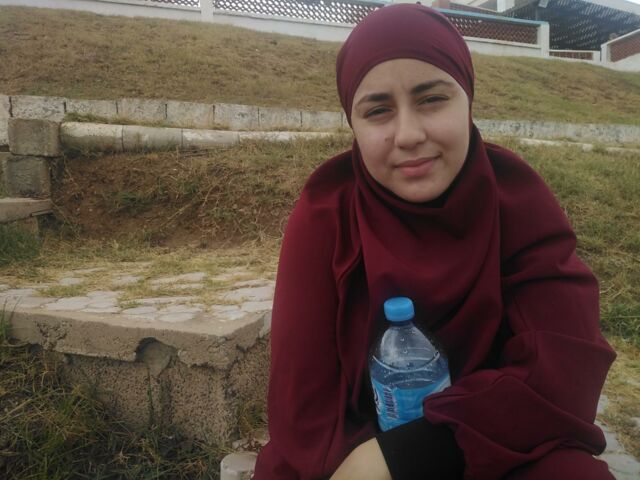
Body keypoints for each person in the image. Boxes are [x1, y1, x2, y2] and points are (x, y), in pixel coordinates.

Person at [253, 4, 616, 479]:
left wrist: (406, 454)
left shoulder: (516, 199)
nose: (408, 135)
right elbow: (302, 403)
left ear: (468, 101)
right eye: (377, 110)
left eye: (432, 99)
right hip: (351, 450)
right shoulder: (328, 213)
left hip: (497, 440)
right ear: (353, 124)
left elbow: (563, 370)